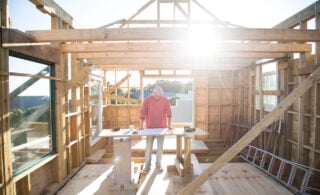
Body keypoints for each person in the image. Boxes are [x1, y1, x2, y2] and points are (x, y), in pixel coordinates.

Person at [139, 85, 172, 172]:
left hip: (161, 128)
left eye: (158, 94)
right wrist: (141, 126)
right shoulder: (147, 100)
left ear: (161, 93)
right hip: (150, 128)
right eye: (154, 94)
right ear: (152, 93)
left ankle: (158, 164)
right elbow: (142, 113)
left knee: (160, 147)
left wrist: (169, 125)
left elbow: (169, 113)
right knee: (148, 147)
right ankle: (147, 166)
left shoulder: (165, 100)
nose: (156, 96)